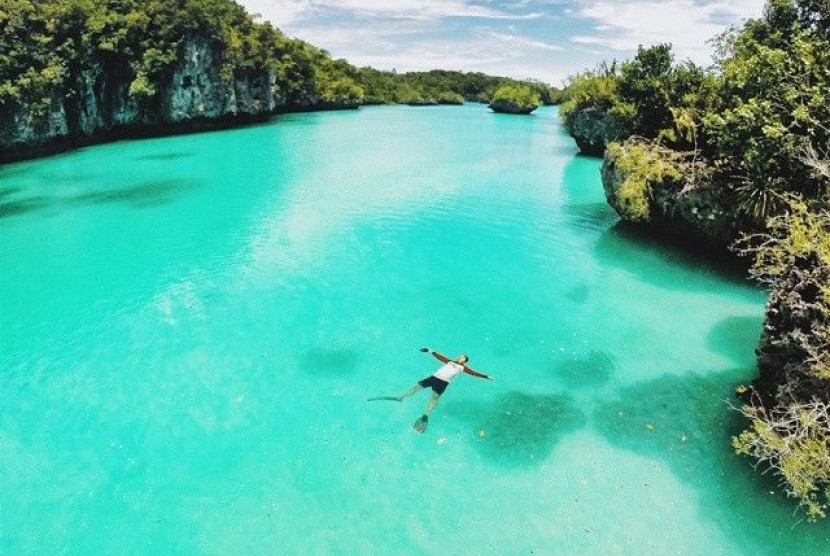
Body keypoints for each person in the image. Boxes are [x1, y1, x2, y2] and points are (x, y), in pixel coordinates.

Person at [369, 347, 494, 433]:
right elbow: (440, 357)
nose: (459, 357)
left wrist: (486, 377)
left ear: (464, 361)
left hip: (443, 383)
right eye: (460, 356)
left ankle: (425, 415)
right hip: (434, 378)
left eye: (462, 357)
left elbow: (474, 373)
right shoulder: (450, 361)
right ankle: (400, 397)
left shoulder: (463, 368)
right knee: (417, 387)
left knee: (434, 399)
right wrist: (430, 350)